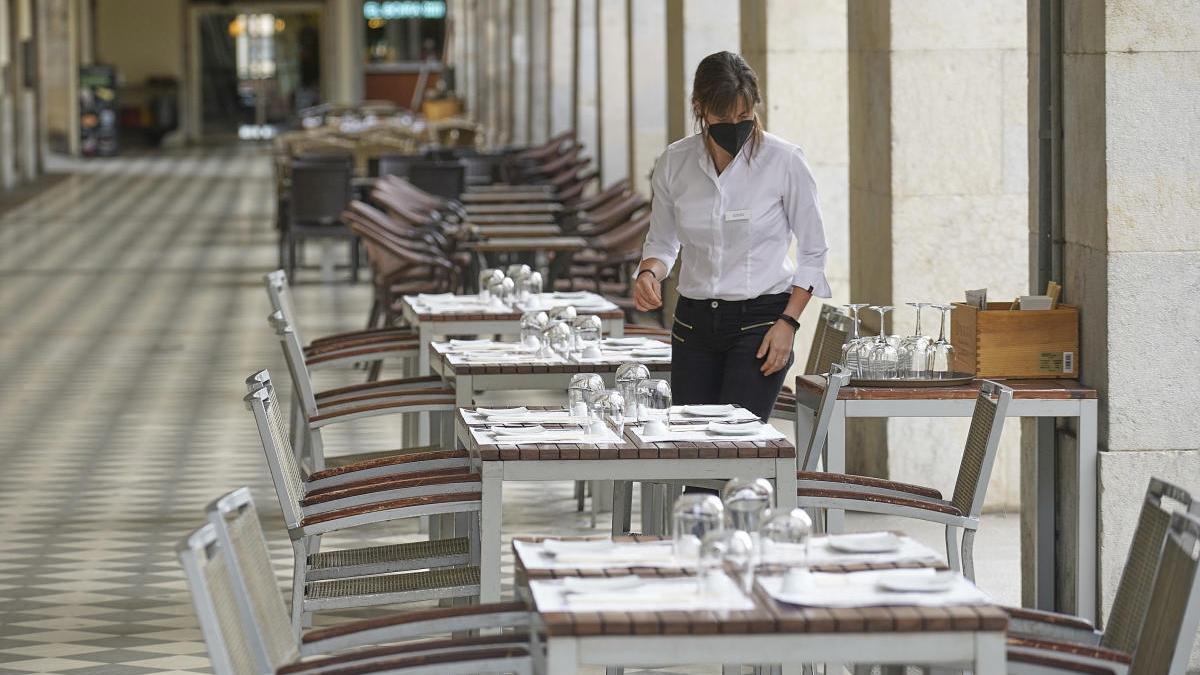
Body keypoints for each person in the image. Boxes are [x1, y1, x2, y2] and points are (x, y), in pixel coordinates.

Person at [633, 51, 832, 420]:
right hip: (693, 324)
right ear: (699, 108)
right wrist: (649, 273)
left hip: (761, 322)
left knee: (738, 444)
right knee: (694, 455)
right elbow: (662, 241)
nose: (734, 125)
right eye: (722, 117)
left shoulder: (785, 161)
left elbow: (814, 252)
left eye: (744, 116)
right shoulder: (675, 162)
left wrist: (788, 323)